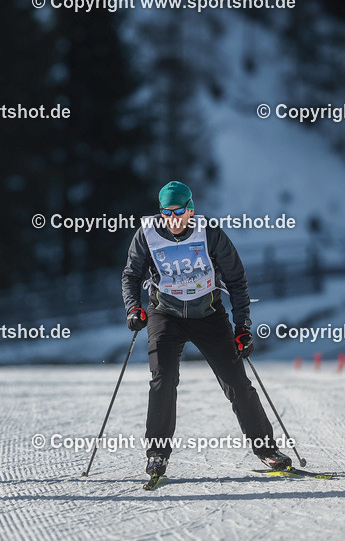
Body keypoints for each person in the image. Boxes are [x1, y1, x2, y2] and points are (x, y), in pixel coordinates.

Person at [121, 181, 291, 480]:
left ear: (191, 210)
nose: (173, 219)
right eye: (166, 213)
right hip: (165, 314)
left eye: (179, 212)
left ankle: (266, 449)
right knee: (163, 378)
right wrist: (133, 307)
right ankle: (157, 454)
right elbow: (131, 275)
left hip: (208, 314)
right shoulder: (147, 233)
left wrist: (242, 326)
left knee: (236, 382)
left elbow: (237, 279)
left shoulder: (209, 233)